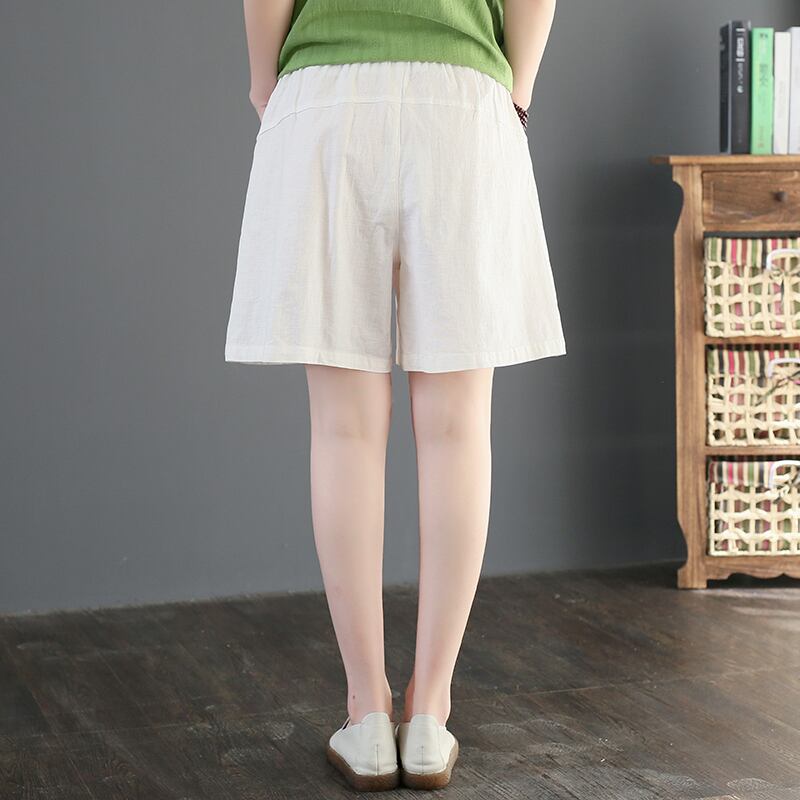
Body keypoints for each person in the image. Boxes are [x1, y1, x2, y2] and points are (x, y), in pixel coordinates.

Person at [225, 0, 565, 791]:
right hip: (463, 100)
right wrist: (516, 86)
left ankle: (367, 715)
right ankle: (431, 713)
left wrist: (265, 80)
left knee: (343, 427)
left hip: (325, 97)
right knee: (457, 426)